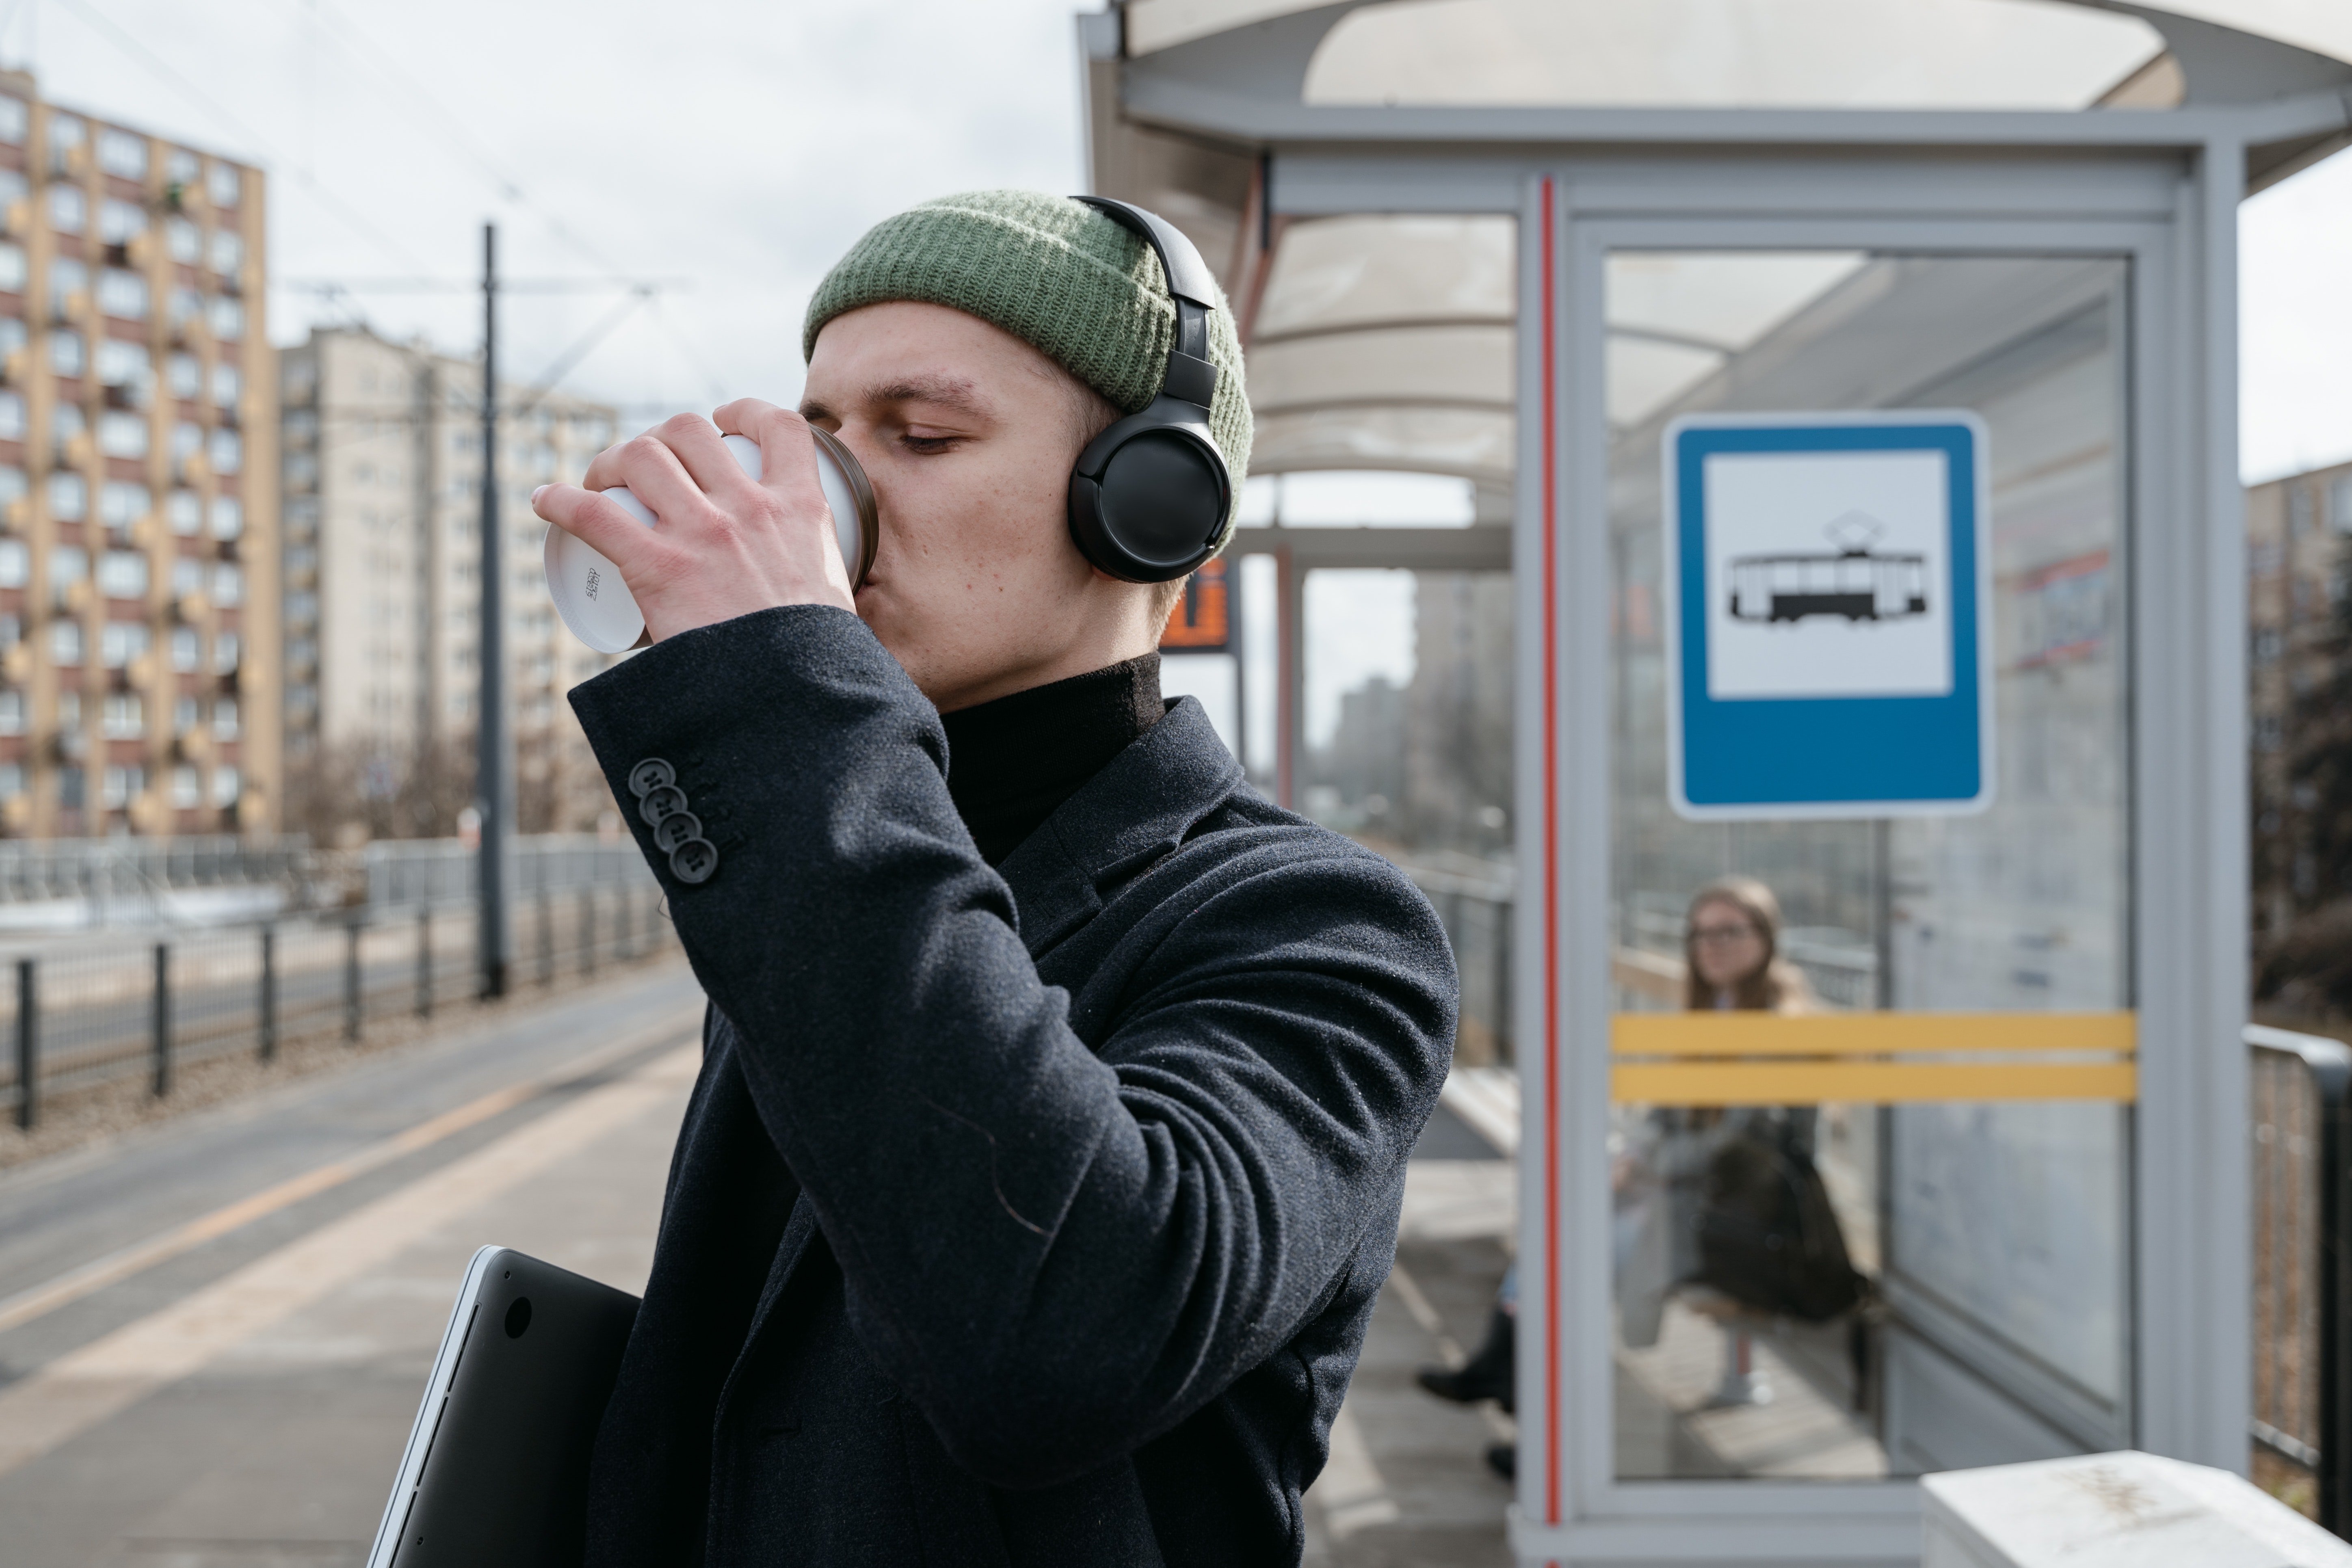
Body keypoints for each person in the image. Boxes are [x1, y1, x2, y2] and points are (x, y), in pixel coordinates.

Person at [530, 190, 1458, 1566]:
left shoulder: (1318, 929)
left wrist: (785, 694)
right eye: (816, 434)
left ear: (1149, 503)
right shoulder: (840, 856)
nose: (819, 499)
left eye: (920, 436)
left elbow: (1064, 1335)